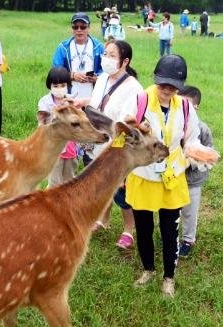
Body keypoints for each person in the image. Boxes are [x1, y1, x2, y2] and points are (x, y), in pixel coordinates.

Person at [127, 55, 218, 297]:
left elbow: (191, 138)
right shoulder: (139, 101)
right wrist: (137, 133)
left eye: (173, 85)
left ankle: (169, 276)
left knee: (170, 231)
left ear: (180, 86)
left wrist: (200, 153)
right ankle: (148, 269)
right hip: (144, 174)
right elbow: (122, 136)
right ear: (155, 79)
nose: (167, 89)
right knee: (144, 228)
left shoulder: (186, 107)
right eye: (162, 83)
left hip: (172, 177)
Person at [76, 40, 143, 250]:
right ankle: (103, 220)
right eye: (105, 53)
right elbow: (99, 102)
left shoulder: (134, 88)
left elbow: (126, 124)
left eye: (112, 55)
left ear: (125, 61)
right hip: (96, 141)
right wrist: (83, 103)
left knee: (121, 191)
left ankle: (128, 229)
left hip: (117, 146)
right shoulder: (103, 77)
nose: (106, 58)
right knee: (100, 186)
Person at [177, 86, 214, 258]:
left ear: (196, 107)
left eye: (187, 104)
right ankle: (169, 233)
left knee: (189, 210)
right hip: (172, 177)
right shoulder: (172, 125)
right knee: (170, 207)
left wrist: (192, 161)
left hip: (192, 179)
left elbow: (209, 154)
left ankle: (188, 239)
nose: (183, 107)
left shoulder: (202, 129)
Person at [36, 67, 78, 187]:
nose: (59, 89)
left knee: (69, 179)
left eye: (62, 85)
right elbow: (43, 124)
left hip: (70, 147)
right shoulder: (44, 102)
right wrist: (58, 110)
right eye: (55, 85)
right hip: (53, 150)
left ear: (68, 85)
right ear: (50, 85)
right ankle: (52, 203)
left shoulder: (72, 100)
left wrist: (72, 107)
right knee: (55, 182)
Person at [52, 12, 103, 100]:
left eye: (83, 27)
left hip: (93, 97)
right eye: (75, 27)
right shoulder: (63, 48)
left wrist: (97, 78)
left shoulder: (98, 47)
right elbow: (55, 72)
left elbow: (106, 71)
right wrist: (72, 75)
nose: (79, 30)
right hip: (69, 96)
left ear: (89, 27)